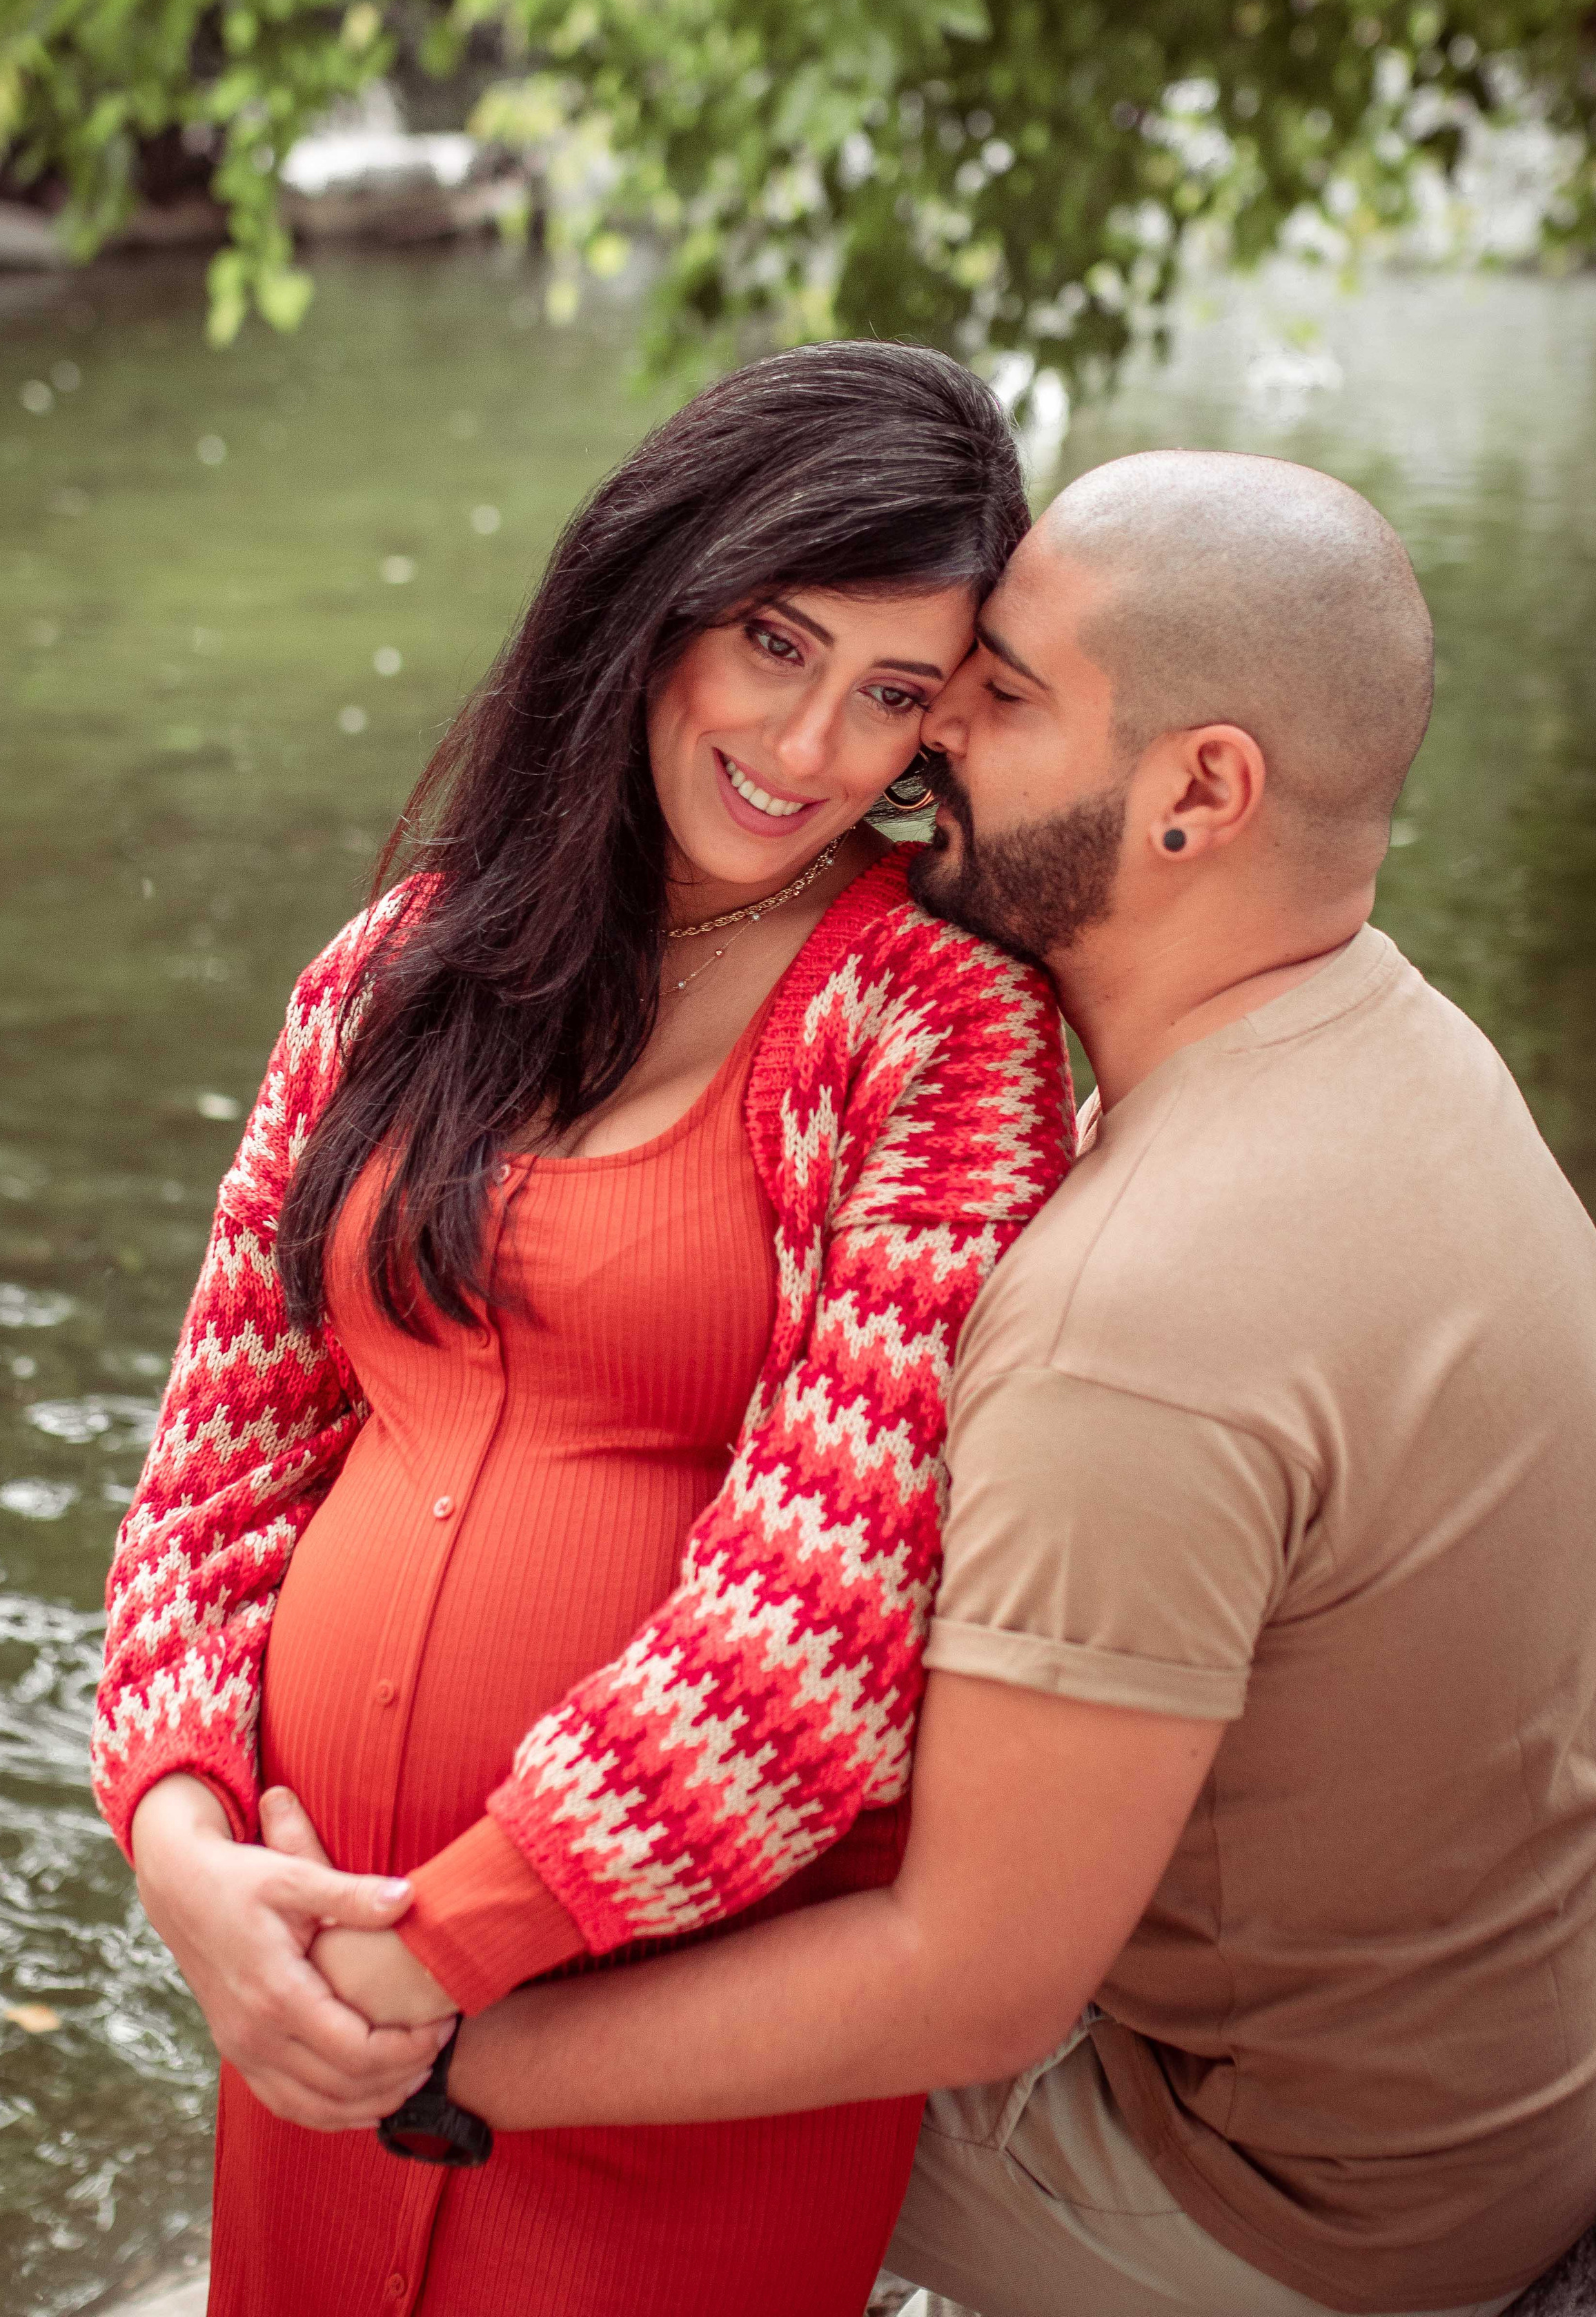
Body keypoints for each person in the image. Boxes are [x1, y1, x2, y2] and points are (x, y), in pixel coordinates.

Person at [342, 448, 1596, 2317]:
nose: (923, 727)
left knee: (676, 2024)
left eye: (1001, 691)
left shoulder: (1141, 1309)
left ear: (1202, 792)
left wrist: (460, 2064)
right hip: (1498, 2080)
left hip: (1282, 2207)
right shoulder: (1383, 1035)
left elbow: (976, 1983)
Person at [90, 341, 1077, 2317]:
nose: (808, 749)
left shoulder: (944, 1033)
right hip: (301, 2021)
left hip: (635, 2066)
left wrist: (428, 1951)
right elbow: (215, 1463)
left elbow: (828, 1625)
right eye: (774, 645)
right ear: (657, 599)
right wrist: (189, 1859)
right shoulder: (402, 974)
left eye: (895, 696)